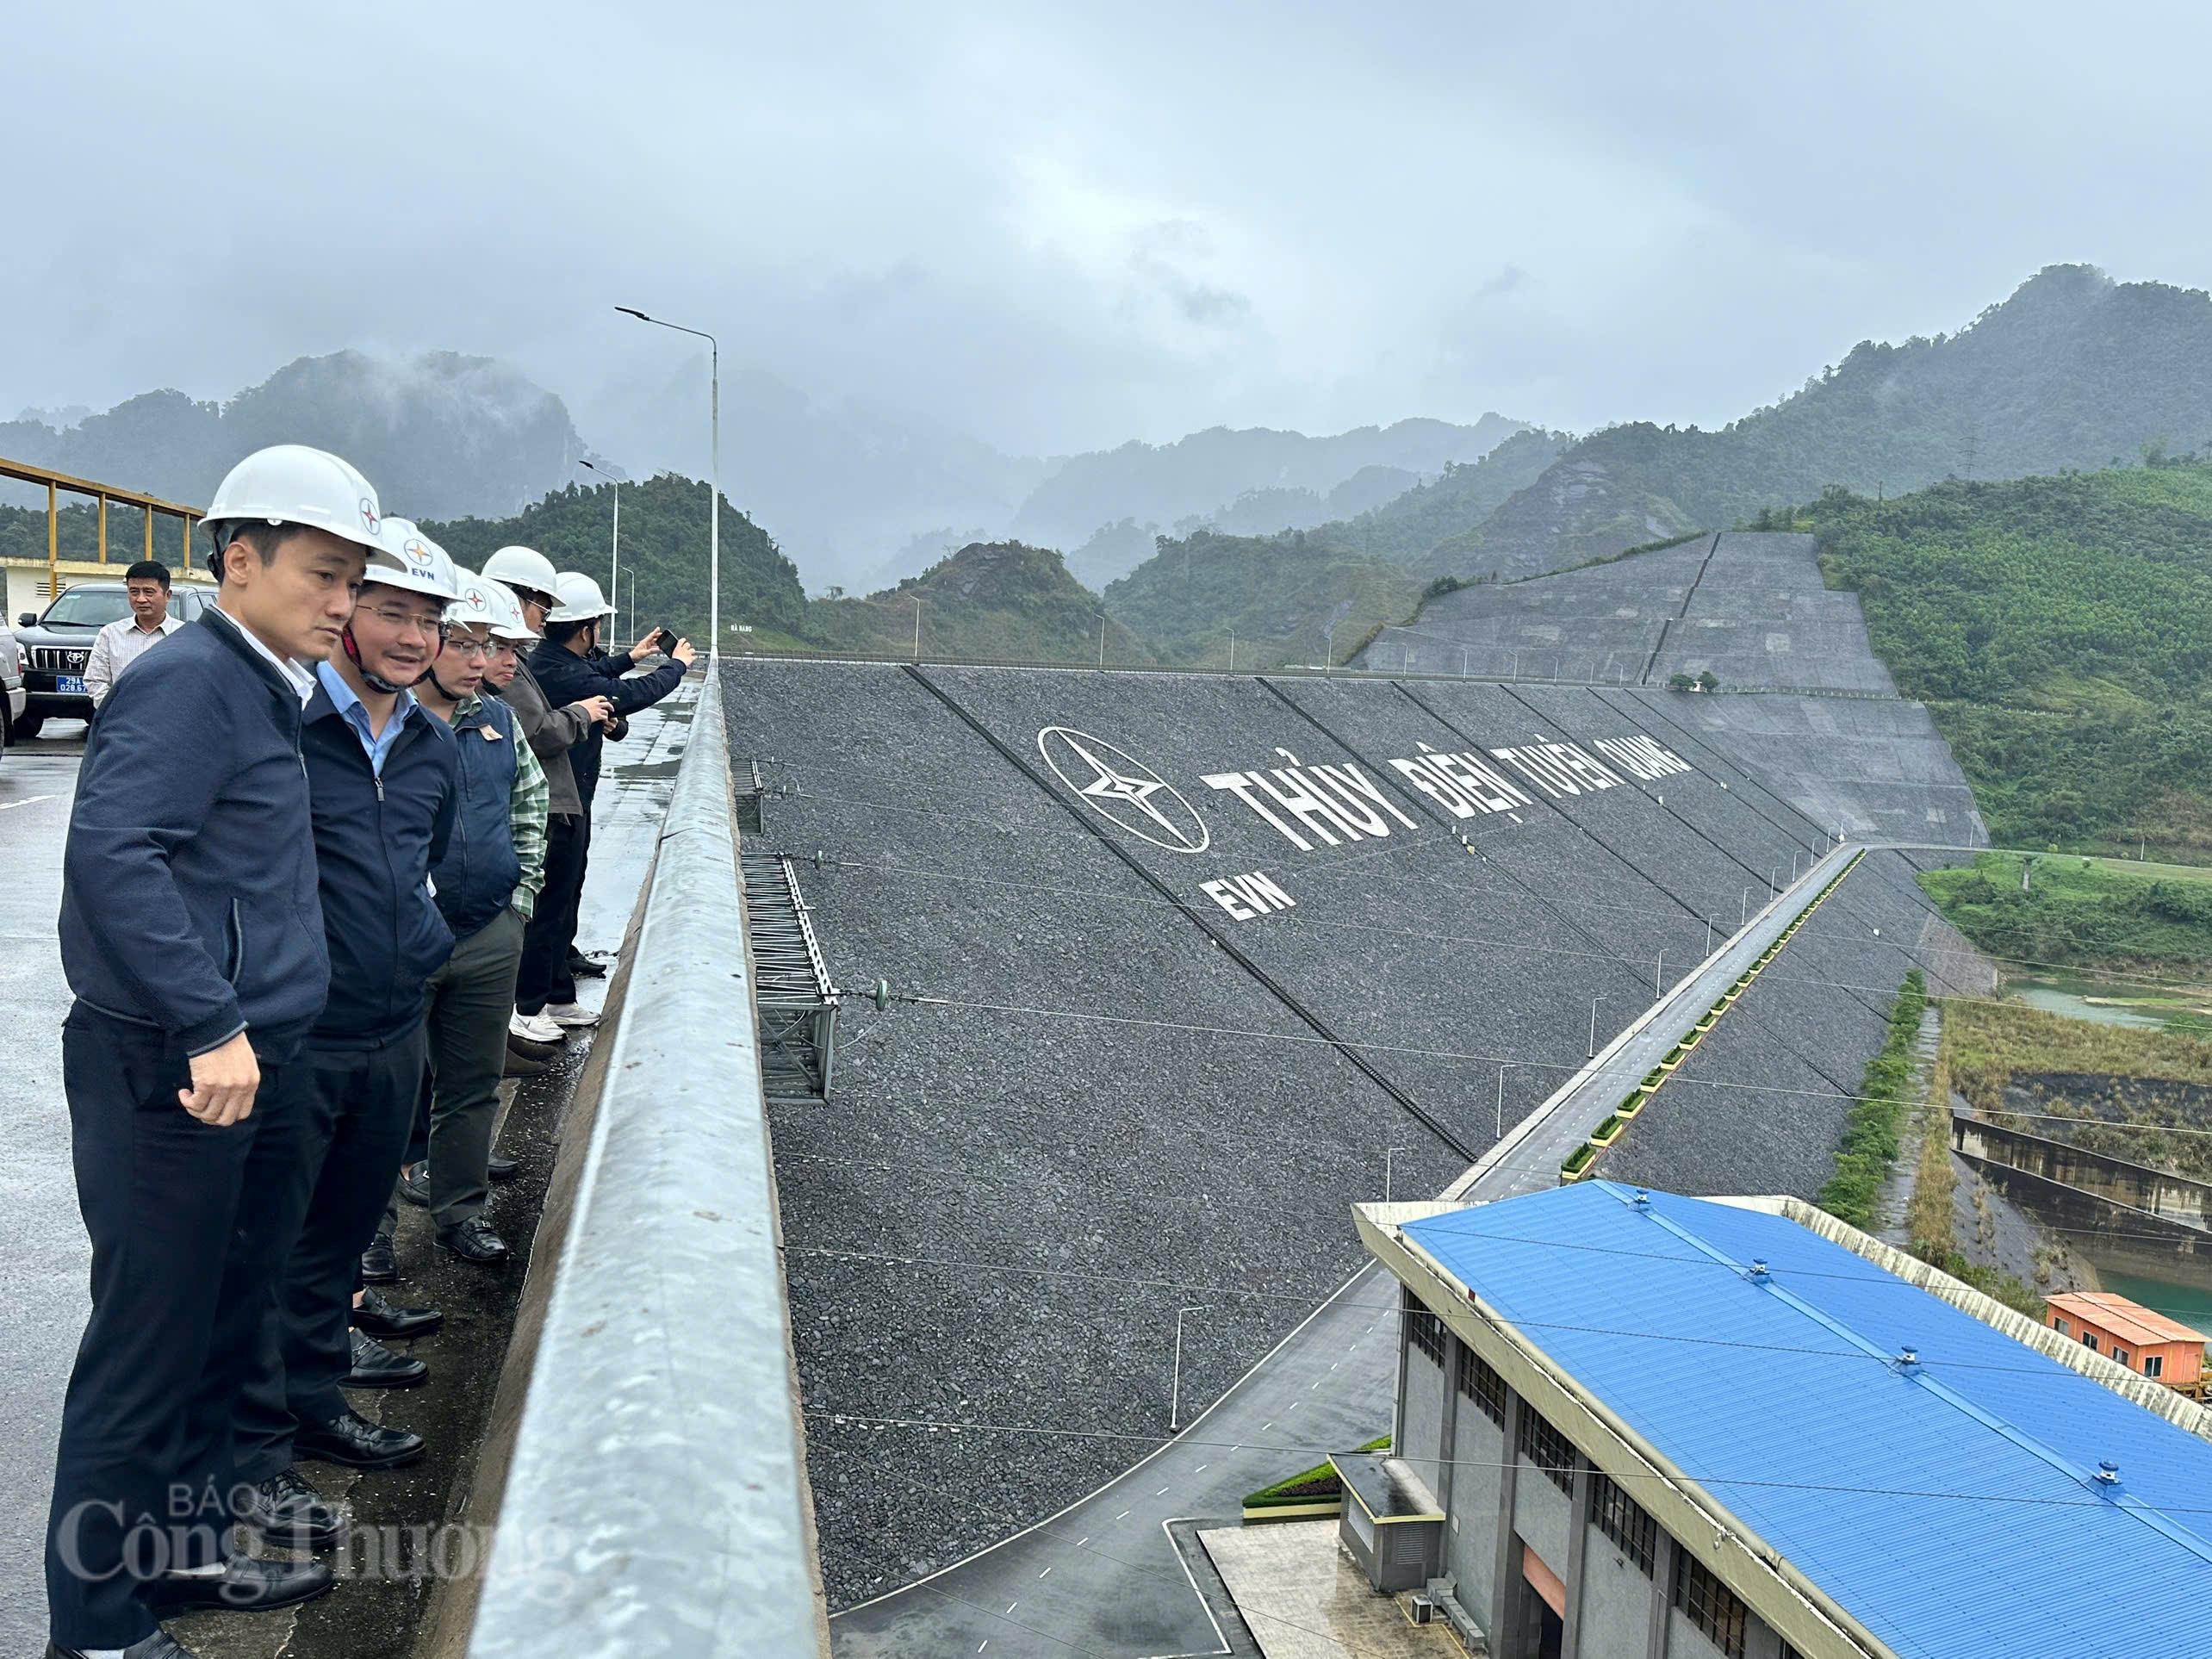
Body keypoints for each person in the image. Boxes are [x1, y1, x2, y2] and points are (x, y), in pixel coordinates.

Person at [45, 444, 398, 1659]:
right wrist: (208, 1019)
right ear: (238, 561)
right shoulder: (192, 680)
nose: (342, 602)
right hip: (173, 1069)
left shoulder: (268, 684)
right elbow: (114, 855)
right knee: (146, 1347)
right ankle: (96, 1626)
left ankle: (185, 1546)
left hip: (250, 1064)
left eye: (353, 579)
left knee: (217, 1324)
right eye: (324, 573)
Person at [229, 519, 462, 1533]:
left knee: (336, 1242)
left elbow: (425, 862)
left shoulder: (432, 745)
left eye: (428, 620)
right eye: (391, 612)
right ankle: (252, 1453)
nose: (412, 637)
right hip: (297, 1041)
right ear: (347, 611)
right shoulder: (285, 725)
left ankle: (316, 1403)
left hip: (394, 1029)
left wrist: (421, 945)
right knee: (264, 1251)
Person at [388, 572, 549, 1264]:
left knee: (472, 1084)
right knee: (385, 1090)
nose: (479, 661)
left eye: (487, 646)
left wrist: (520, 901)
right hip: (402, 938)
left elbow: (530, 805)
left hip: (488, 930)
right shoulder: (386, 720)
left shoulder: (498, 722)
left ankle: (461, 1212)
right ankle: (368, 1238)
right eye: (464, 644)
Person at [519, 572, 693, 1031]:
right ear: (586, 630)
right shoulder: (558, 670)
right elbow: (629, 694)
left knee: (565, 896)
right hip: (558, 802)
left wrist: (632, 657)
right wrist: (675, 666)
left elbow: (598, 679)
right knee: (551, 903)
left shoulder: (553, 661)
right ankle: (530, 1006)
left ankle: (558, 995)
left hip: (574, 796)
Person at [475, 547, 610, 1047]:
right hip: (548, 806)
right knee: (539, 909)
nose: (544, 617)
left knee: (555, 904)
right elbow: (538, 732)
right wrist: (582, 714)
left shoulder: (524, 663)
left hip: (556, 802)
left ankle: (546, 999)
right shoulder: (508, 671)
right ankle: (525, 1008)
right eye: (541, 605)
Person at [82, 560, 183, 709]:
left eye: (149, 592)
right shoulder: (110, 634)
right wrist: (116, 710)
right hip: (121, 718)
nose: (141, 599)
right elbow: (95, 681)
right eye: (134, 592)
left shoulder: (184, 635)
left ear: (167, 595)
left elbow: (193, 683)